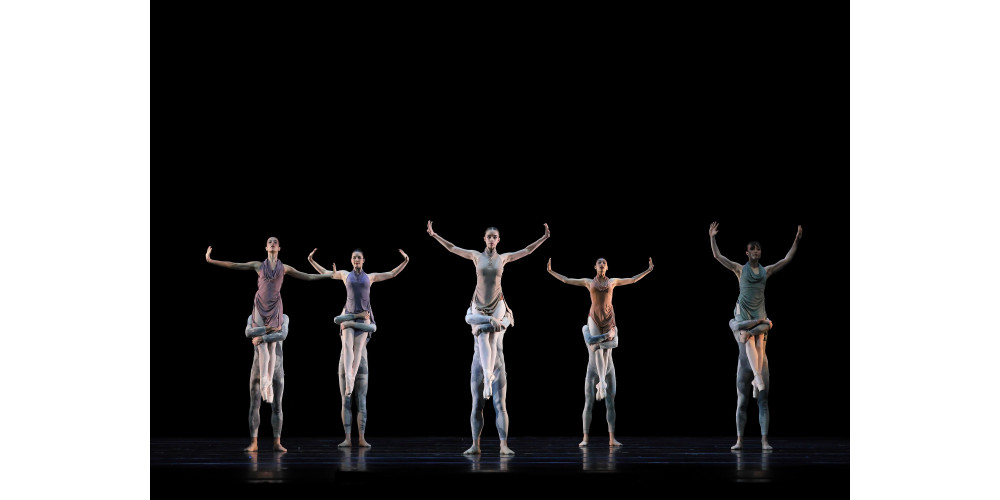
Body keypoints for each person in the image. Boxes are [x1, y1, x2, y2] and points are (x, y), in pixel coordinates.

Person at [427, 220, 550, 456]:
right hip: (479, 316)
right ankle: (475, 444)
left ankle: (504, 444)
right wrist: (435, 235)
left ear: (499, 240)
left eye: (495, 236)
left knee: (499, 403)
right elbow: (453, 248)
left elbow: (526, 250)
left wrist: (543, 238)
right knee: (477, 403)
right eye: (489, 236)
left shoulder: (503, 259)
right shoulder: (475, 256)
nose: (492, 239)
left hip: (496, 318)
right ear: (484, 239)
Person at [205, 236, 330, 449]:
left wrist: (327, 274)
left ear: (279, 247)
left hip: (275, 309)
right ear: (266, 247)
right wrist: (211, 260)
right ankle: (253, 441)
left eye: (275, 242)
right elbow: (235, 265)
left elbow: (308, 278)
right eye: (269, 242)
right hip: (260, 307)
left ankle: (276, 441)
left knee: (277, 395)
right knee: (257, 384)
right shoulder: (258, 265)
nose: (272, 244)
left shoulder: (286, 268)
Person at [709, 222, 802, 450]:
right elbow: (718, 257)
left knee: (763, 398)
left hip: (760, 331)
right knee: (742, 400)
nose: (756, 252)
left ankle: (764, 440)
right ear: (747, 252)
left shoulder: (765, 271)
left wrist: (797, 239)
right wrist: (712, 237)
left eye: (759, 250)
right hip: (746, 324)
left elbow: (787, 259)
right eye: (753, 249)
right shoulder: (740, 269)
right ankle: (740, 440)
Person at [547, 257, 653, 446]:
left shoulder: (612, 282)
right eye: (599, 263)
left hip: (609, 324)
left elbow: (633, 280)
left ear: (607, 267)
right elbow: (567, 280)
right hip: (594, 328)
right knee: (588, 402)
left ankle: (612, 439)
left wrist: (648, 270)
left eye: (604, 263)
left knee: (610, 401)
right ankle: (585, 438)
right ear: (595, 267)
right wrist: (551, 271)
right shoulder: (589, 283)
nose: (602, 265)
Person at [307, 248, 408, 447]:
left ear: (363, 260)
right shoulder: (345, 275)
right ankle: (347, 436)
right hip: (349, 316)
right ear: (351, 260)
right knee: (346, 342)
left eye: (359, 257)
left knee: (359, 348)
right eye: (353, 257)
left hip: (364, 319)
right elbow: (325, 273)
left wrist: (405, 261)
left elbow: (392, 274)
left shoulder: (370, 277)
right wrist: (311, 260)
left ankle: (361, 438)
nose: (356, 260)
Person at [243, 314, 288, 452]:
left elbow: (282, 334)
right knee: (255, 404)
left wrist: (262, 336)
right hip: (257, 367)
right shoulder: (253, 317)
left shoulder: (283, 317)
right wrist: (268, 328)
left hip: (277, 368)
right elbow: (248, 332)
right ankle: (254, 442)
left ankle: (277, 442)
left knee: (277, 406)